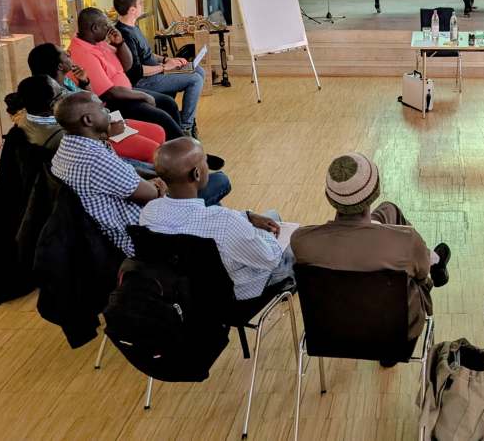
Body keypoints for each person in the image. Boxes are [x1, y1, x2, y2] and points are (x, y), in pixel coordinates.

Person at [291, 153, 452, 362]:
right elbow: (422, 277)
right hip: (396, 337)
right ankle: (434, 259)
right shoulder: (405, 241)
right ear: (374, 192)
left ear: (330, 198)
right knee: (418, 272)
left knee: (389, 210)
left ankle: (431, 258)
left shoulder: (301, 241)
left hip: (330, 335)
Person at [50, 93, 229, 256]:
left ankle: (214, 238)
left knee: (204, 199)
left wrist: (155, 180)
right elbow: (152, 195)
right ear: (88, 120)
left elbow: (124, 174)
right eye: (102, 108)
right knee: (219, 181)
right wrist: (160, 183)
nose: (108, 111)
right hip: (142, 234)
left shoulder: (68, 146)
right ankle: (218, 241)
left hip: (115, 226)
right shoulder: (95, 159)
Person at [139, 137, 294, 300]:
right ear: (197, 173)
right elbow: (270, 259)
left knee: (270, 217)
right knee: (291, 236)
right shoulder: (225, 222)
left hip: (186, 295)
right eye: (205, 161)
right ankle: (286, 283)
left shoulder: (149, 212)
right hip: (236, 295)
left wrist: (247, 216)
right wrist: (269, 235)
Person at [27, 42, 166, 163]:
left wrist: (84, 82)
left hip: (104, 120)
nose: (69, 54)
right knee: (153, 150)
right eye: (65, 54)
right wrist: (108, 132)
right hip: (97, 136)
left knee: (158, 131)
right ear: (60, 66)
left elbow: (93, 101)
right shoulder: (53, 99)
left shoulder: (66, 81)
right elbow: (71, 136)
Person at [68, 7, 185, 141]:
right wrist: (144, 96)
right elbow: (109, 93)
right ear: (95, 28)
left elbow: (127, 65)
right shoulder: (83, 53)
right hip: (112, 104)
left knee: (168, 103)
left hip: (125, 92)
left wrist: (120, 43)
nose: (109, 28)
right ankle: (182, 147)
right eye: (105, 25)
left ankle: (182, 142)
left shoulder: (97, 42)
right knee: (161, 117)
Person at [114, 0, 205, 137]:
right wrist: (164, 67)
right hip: (144, 80)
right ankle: (186, 127)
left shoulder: (134, 26)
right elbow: (136, 71)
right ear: (132, 10)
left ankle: (187, 119)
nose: (143, 4)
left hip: (157, 71)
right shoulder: (124, 34)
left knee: (199, 70)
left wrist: (166, 59)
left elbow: (148, 54)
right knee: (195, 79)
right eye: (140, 3)